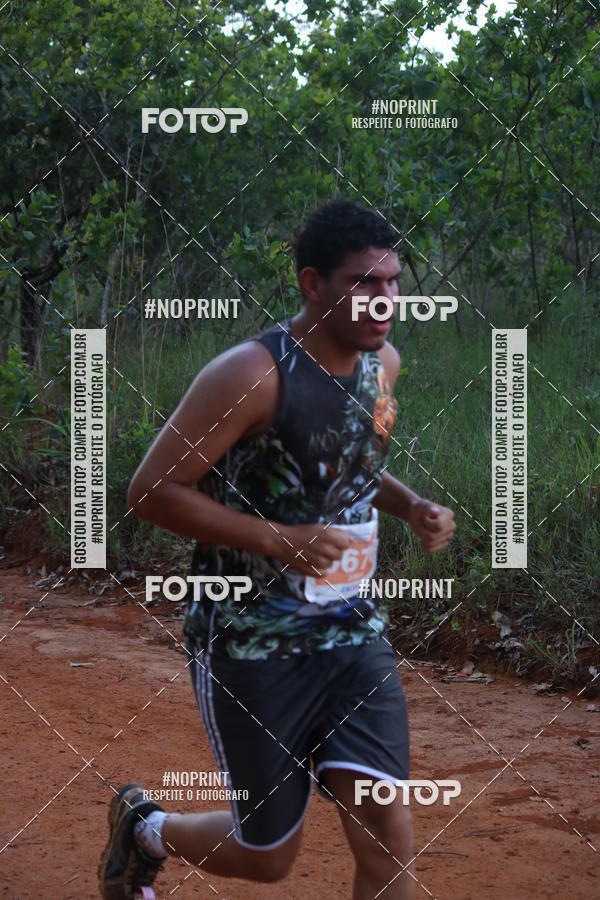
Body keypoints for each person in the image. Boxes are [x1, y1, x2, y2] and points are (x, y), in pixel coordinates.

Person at [98, 199, 456, 899]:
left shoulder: (382, 365)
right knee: (267, 855)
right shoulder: (251, 375)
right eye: (363, 283)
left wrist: (411, 505)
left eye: (392, 283)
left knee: (389, 831)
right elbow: (151, 490)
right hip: (251, 640)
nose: (384, 300)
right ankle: (145, 827)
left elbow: (352, 462)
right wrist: (279, 540)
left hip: (353, 634)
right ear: (311, 284)